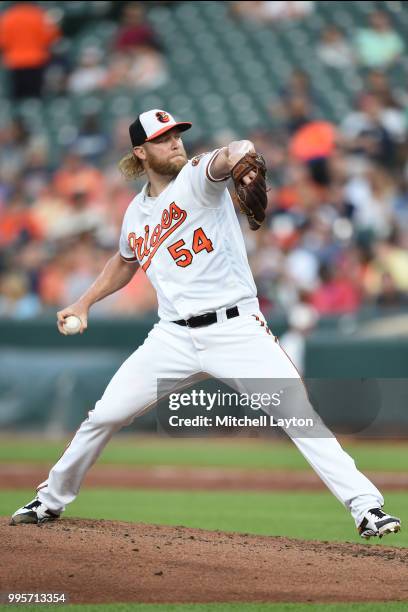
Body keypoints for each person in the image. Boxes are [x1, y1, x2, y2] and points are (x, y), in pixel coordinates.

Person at [11, 109, 401, 541]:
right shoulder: (136, 213)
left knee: (299, 417)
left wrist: (246, 162)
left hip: (236, 329)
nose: (174, 142)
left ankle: (367, 508)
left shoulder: (196, 176)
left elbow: (233, 153)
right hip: (171, 336)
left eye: (177, 134)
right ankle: (50, 499)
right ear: (140, 152)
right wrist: (83, 302)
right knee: (103, 416)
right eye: (162, 139)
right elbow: (125, 262)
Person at [0, 2, 61, 99]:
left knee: (17, 98)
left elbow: (3, 41)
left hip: (15, 62)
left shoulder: (8, 17)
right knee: (35, 97)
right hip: (36, 60)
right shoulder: (39, 15)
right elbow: (50, 37)